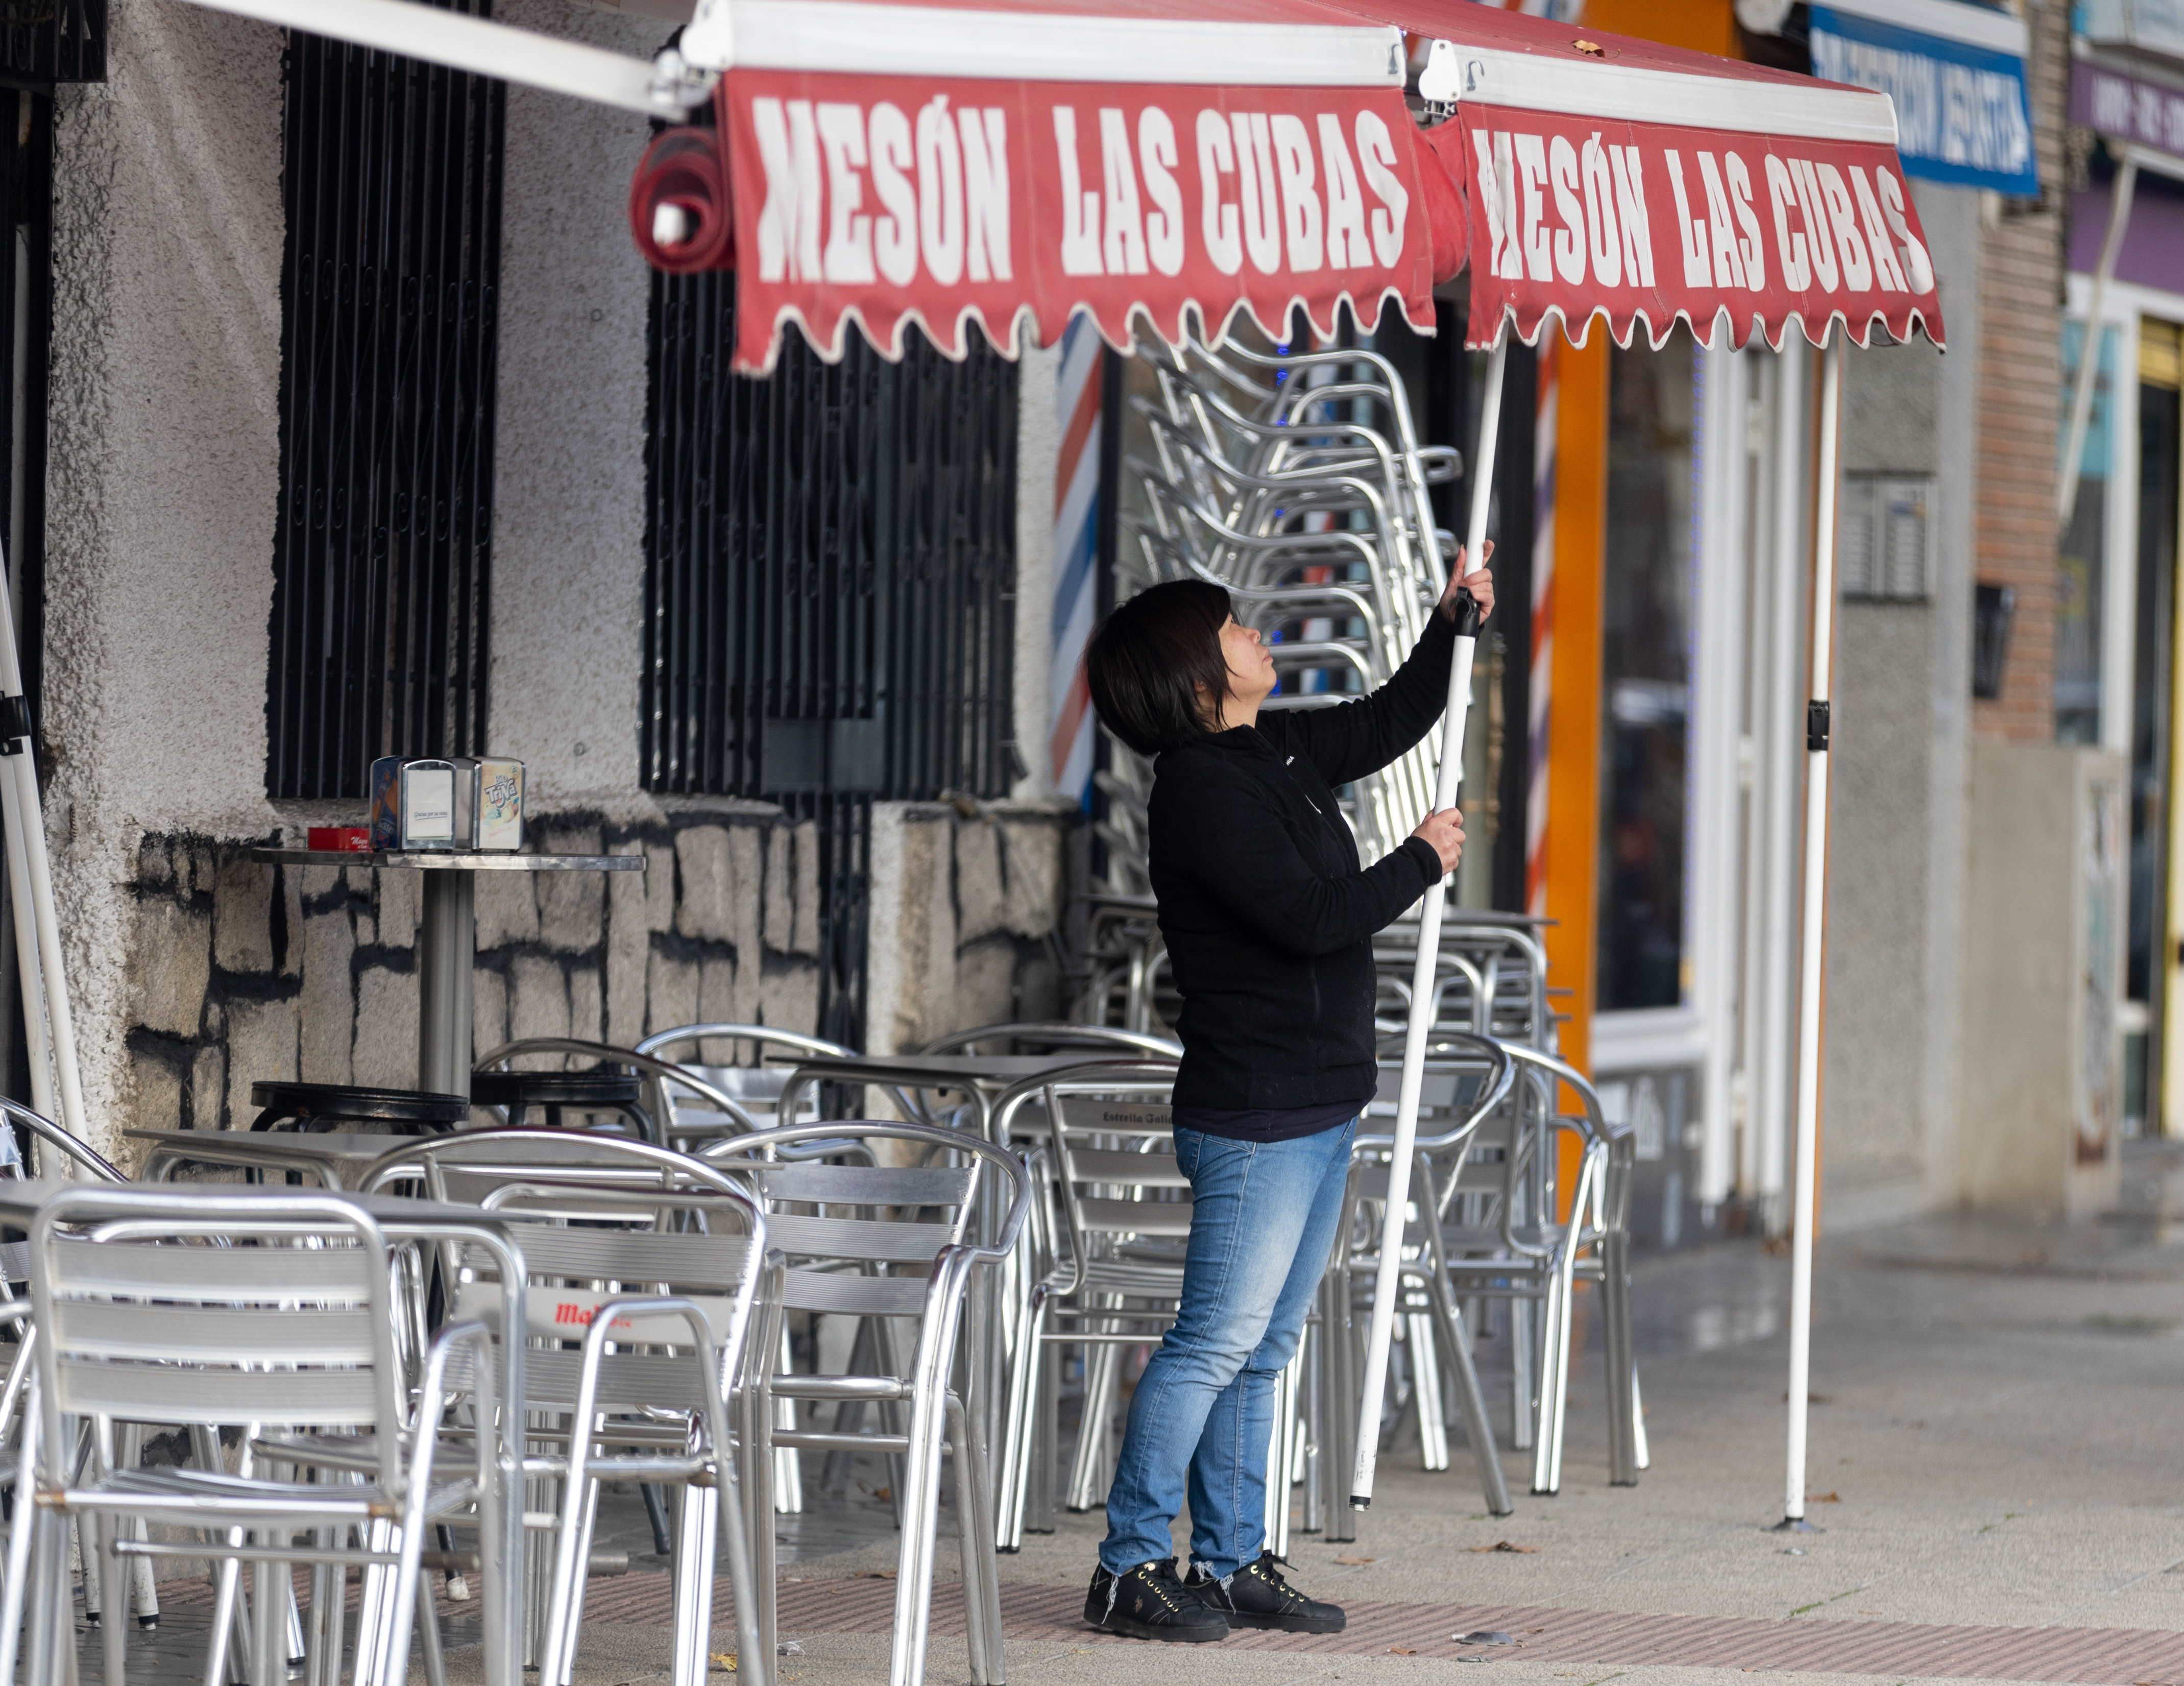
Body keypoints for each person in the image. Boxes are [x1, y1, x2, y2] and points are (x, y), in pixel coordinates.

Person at [1078, 549, 1494, 1643]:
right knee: (1213, 1343)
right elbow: (1310, 916)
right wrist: (1419, 858)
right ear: (1192, 672)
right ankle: (1129, 1567)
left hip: (1320, 1100)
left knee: (1264, 1348)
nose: (1253, 632)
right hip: (1256, 1112)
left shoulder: (1272, 747)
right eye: (1231, 627)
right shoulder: (1202, 792)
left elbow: (1392, 718)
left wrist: (1451, 623)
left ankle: (1228, 1558)